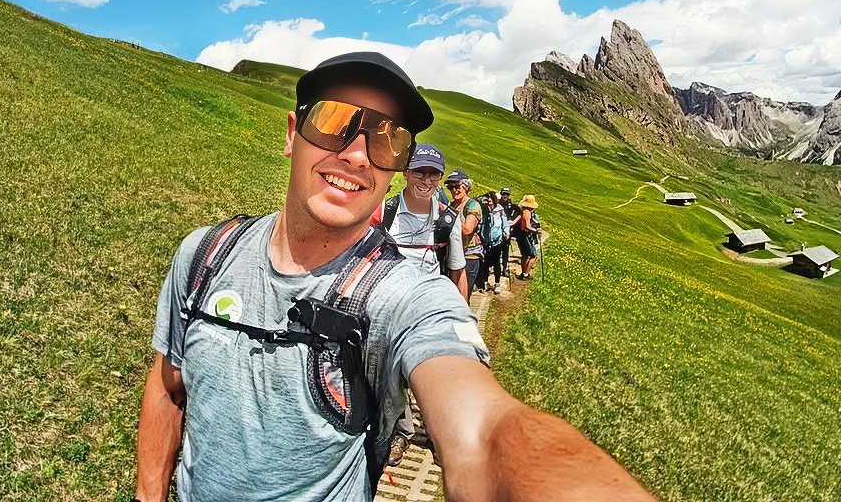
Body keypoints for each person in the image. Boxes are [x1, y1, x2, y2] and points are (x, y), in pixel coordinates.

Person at [135, 51, 658, 502]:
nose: (359, 154)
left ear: (396, 166)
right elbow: (168, 386)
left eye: (388, 140)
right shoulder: (204, 254)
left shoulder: (402, 293)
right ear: (292, 134)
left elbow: (483, 429)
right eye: (335, 120)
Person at [379, 142, 462, 465]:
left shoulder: (446, 220)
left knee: (431, 375)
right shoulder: (384, 212)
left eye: (434, 174)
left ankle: (439, 433)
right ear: (405, 172)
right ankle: (402, 432)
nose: (426, 180)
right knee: (394, 377)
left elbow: (456, 270)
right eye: (420, 171)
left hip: (429, 311)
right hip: (392, 309)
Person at [445, 169, 484, 300]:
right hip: (452, 254)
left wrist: (449, 215)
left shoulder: (472, 205)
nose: (454, 190)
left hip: (469, 255)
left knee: (462, 296)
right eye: (450, 187)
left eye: (457, 186)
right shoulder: (452, 205)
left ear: (466, 187)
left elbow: (468, 229)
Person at [480, 192, 507, 294]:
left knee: (496, 263)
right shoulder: (484, 210)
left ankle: (497, 283)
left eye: (490, 200)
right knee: (485, 263)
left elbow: (505, 223)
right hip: (485, 241)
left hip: (497, 241)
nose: (488, 202)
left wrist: (506, 232)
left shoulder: (500, 210)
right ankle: (485, 282)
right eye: (487, 200)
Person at [516, 194, 542, 280]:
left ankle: (523, 273)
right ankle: (526, 274)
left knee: (524, 255)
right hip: (526, 235)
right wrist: (536, 231)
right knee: (533, 255)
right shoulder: (527, 213)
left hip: (521, 235)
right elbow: (527, 226)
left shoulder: (523, 211)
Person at [500, 187, 519, 279]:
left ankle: (504, 268)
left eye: (507, 194)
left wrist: (514, 221)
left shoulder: (511, 204)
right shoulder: (498, 203)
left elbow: (520, 212)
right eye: (504, 194)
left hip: (507, 230)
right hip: (498, 230)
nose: (505, 196)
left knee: (505, 250)